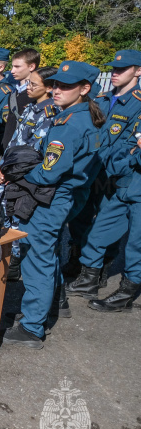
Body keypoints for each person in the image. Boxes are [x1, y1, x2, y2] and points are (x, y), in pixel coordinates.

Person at [1, 61, 104, 349]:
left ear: (84, 89)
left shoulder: (68, 125)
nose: (57, 90)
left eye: (66, 86)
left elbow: (48, 172)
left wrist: (19, 174)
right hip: (65, 196)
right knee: (48, 257)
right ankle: (41, 312)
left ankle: (33, 327)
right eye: (56, 84)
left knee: (38, 260)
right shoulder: (84, 118)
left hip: (50, 197)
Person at [66, 50, 141, 298]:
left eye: (123, 69)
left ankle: (100, 270)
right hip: (92, 172)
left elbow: (128, 147)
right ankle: (82, 267)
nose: (116, 73)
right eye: (115, 69)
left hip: (117, 176)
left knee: (108, 227)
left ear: (138, 71)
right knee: (82, 219)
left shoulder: (137, 103)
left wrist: (105, 158)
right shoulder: (102, 98)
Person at [0, 66, 59, 281]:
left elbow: (34, 154)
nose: (28, 88)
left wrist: (11, 174)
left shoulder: (51, 114)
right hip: (8, 170)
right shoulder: (30, 107)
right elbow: (14, 143)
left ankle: (15, 264)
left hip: (22, 178)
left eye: (33, 84)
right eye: (28, 83)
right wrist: (1, 167)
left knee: (18, 222)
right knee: (1, 216)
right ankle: (4, 259)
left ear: (48, 88)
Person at [88, 131, 141, 312]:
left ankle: (125, 296)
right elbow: (123, 150)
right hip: (127, 187)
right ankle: (88, 280)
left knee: (136, 246)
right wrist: (133, 155)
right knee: (98, 233)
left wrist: (134, 154)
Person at [2, 48, 40, 147]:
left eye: (17, 67)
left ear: (31, 67)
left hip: (23, 151)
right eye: (12, 66)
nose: (12, 71)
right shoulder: (14, 91)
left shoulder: (36, 95)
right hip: (8, 148)